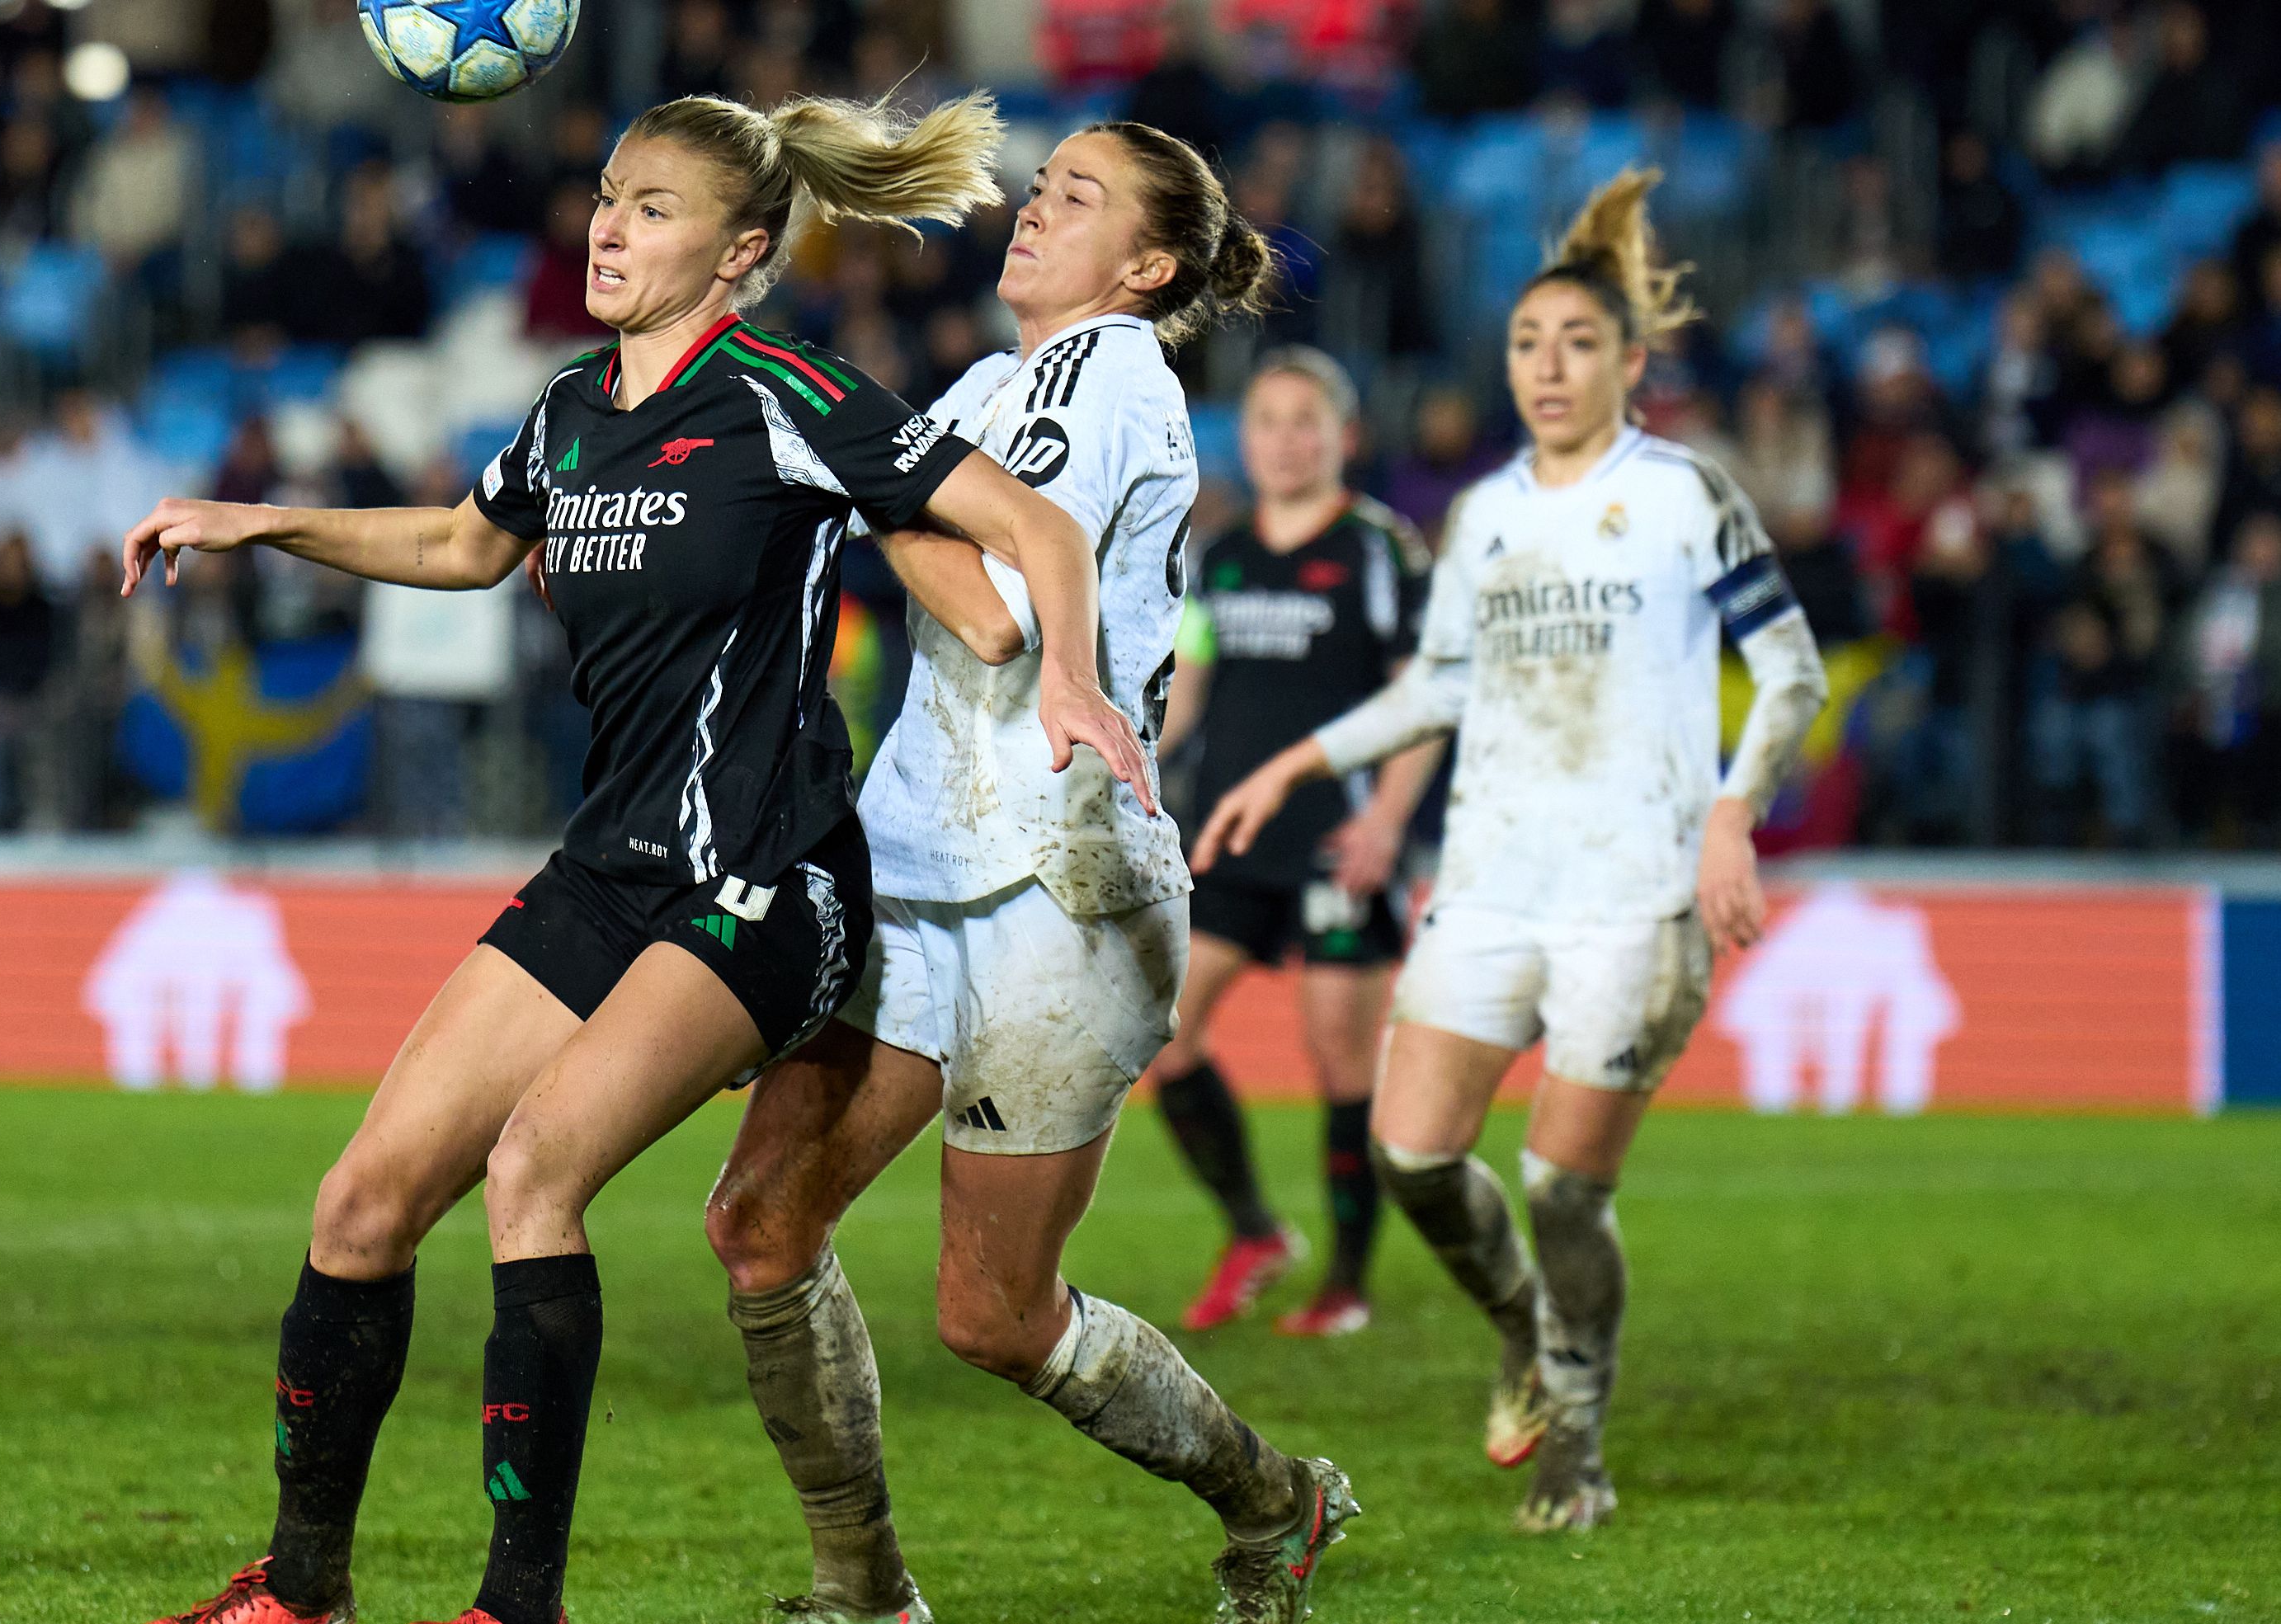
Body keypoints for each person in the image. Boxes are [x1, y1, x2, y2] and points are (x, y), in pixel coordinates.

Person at [117, 91, 1154, 1624]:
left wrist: (1068, 673)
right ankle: (304, 1590)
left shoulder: (786, 390)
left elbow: (1038, 536)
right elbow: (468, 545)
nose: (609, 224)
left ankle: (516, 1604)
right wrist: (257, 518)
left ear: (741, 251)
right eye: (608, 196)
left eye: (653, 208)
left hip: (766, 879)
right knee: (360, 1203)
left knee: (537, 1167)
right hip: (613, 868)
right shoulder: (567, 412)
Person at [700, 121, 1358, 1624]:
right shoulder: (995, 385)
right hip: (921, 859)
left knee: (992, 1314)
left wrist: (848, 472)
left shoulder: (1107, 373)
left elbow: (995, 606)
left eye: (1077, 197)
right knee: (759, 1222)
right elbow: (863, 498)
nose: (1033, 209)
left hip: (1062, 884)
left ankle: (1276, 1494)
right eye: (1040, 184)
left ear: (1147, 265)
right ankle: (861, 1590)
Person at [1192, 168, 1829, 1533]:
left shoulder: (1686, 496)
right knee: (1414, 1152)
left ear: (1633, 363)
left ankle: (1578, 1442)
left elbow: (1789, 669)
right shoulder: (1482, 517)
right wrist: (1297, 763)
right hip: (1491, 879)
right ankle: (1525, 1326)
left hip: (1636, 889)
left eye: (1578, 341)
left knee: (1559, 1182)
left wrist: (1731, 813)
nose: (1547, 365)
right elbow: (1434, 686)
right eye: (1528, 343)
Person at [1147, 347, 1441, 1338]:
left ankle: (1347, 1285)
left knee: (1338, 1058)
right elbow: (1187, 691)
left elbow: (1425, 702)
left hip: (1335, 839)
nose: (1283, 440)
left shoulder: (1380, 549)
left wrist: (1384, 822)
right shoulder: (1221, 556)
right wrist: (1132, 764)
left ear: (1342, 437)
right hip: (1229, 834)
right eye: (1266, 421)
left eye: (1303, 421)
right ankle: (1254, 1229)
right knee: (1166, 1035)